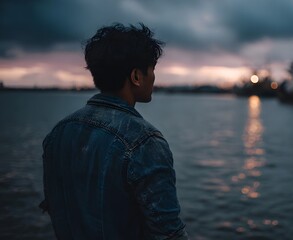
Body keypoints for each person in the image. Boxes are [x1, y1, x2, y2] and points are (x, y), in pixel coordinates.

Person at [40, 23, 188, 239]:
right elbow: (168, 232)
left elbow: (55, 206)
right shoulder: (144, 141)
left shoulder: (59, 133)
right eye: (152, 70)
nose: (155, 78)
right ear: (136, 76)